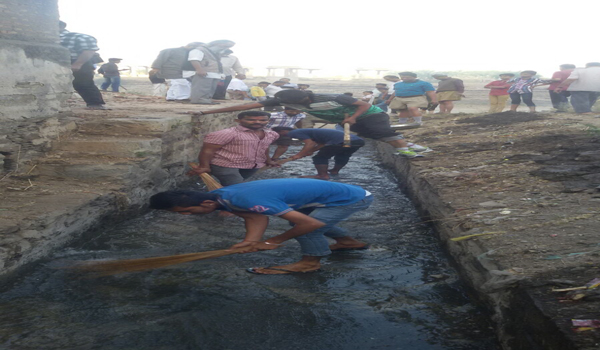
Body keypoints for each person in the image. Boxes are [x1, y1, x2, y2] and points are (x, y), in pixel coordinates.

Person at [149, 178, 373, 274]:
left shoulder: (243, 199)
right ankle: (347, 242)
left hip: (351, 198)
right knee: (301, 223)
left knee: (308, 228)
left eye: (186, 211)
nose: (187, 216)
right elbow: (253, 217)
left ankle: (309, 264)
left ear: (205, 203)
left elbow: (310, 223)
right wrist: (251, 241)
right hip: (327, 197)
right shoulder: (220, 196)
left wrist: (272, 241)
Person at [196, 89, 426, 158]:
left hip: (369, 113)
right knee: (377, 136)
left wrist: (353, 118)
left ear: (305, 99)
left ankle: (407, 151)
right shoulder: (283, 99)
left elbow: (363, 105)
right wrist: (211, 111)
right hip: (344, 120)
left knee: (380, 130)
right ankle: (414, 147)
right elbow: (246, 107)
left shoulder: (334, 96)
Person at [189, 111, 279, 186]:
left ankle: (221, 198)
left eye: (262, 120)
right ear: (238, 120)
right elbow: (208, 150)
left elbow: (264, 147)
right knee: (238, 187)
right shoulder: (226, 134)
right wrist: (204, 166)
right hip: (226, 166)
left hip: (252, 165)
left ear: (269, 121)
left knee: (234, 186)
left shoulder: (271, 134)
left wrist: (268, 160)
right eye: (251, 119)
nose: (257, 122)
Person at [273, 127, 365, 180]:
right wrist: (310, 151)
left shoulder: (293, 133)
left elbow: (310, 143)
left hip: (341, 141)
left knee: (320, 158)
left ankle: (322, 175)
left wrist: (299, 155)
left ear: (282, 131)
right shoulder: (310, 132)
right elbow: (321, 144)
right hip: (357, 141)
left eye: (277, 133)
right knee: (342, 154)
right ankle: (334, 171)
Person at [59, 21, 106, 110]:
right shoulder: (49, 38)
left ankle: (95, 104)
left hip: (76, 61)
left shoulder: (77, 37)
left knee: (83, 83)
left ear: (61, 26)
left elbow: (89, 50)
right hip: (59, 62)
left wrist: (78, 63)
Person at [188, 40, 235, 105]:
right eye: (226, 46)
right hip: (205, 72)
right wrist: (199, 69)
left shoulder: (216, 52)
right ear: (217, 43)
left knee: (210, 89)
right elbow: (194, 60)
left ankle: (206, 99)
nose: (226, 48)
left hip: (213, 73)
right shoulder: (199, 50)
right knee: (202, 87)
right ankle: (199, 100)